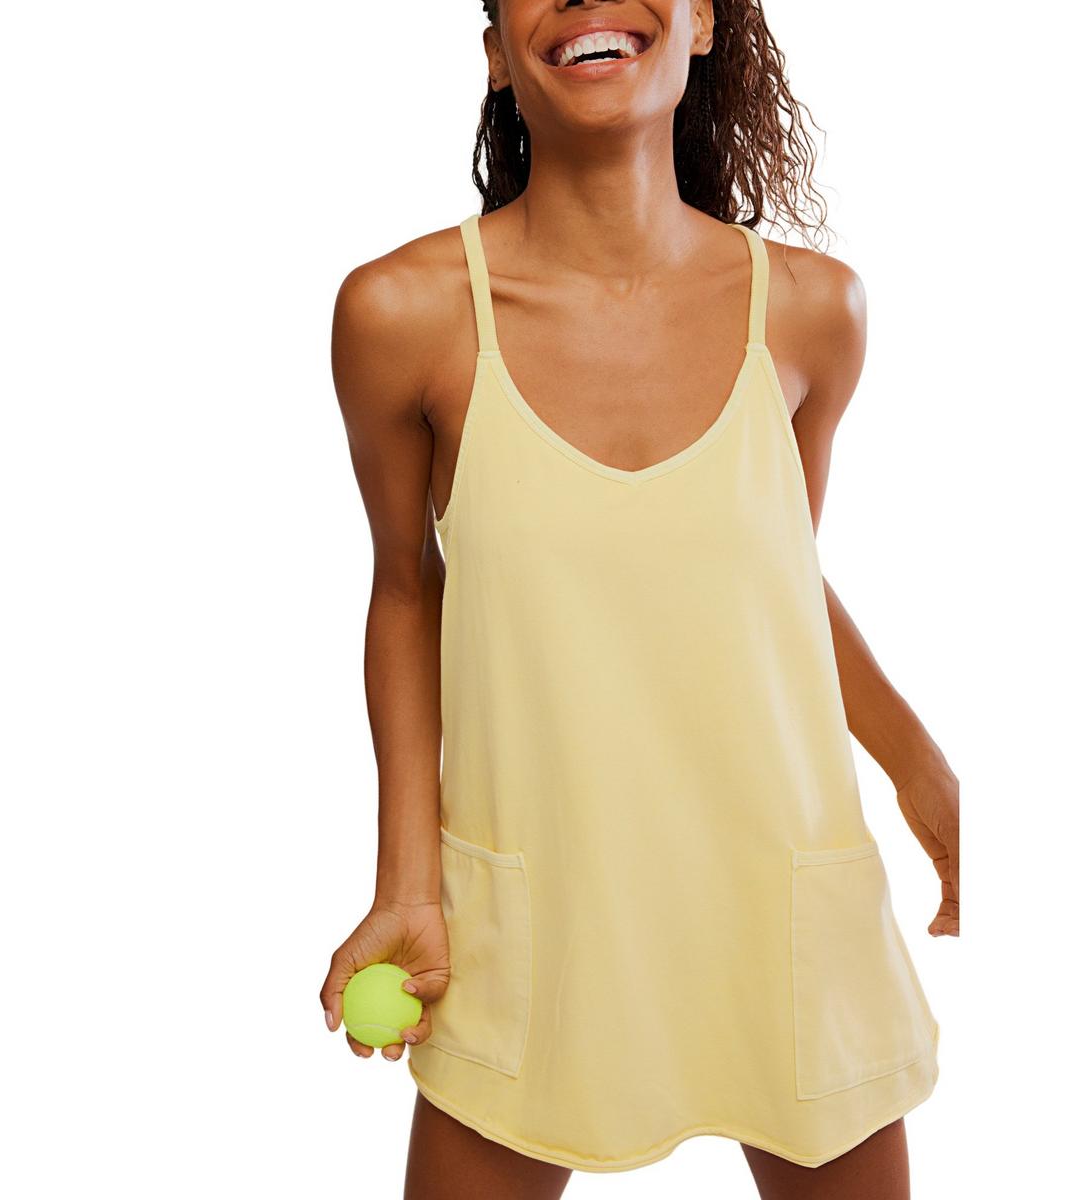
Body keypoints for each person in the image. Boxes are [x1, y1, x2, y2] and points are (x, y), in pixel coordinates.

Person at [320, 2, 960, 1196]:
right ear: (498, 54)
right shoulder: (403, 315)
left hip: (780, 894)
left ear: (703, 22)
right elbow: (405, 591)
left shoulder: (815, 311)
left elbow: (771, 581)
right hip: (541, 905)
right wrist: (406, 884)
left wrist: (925, 774)